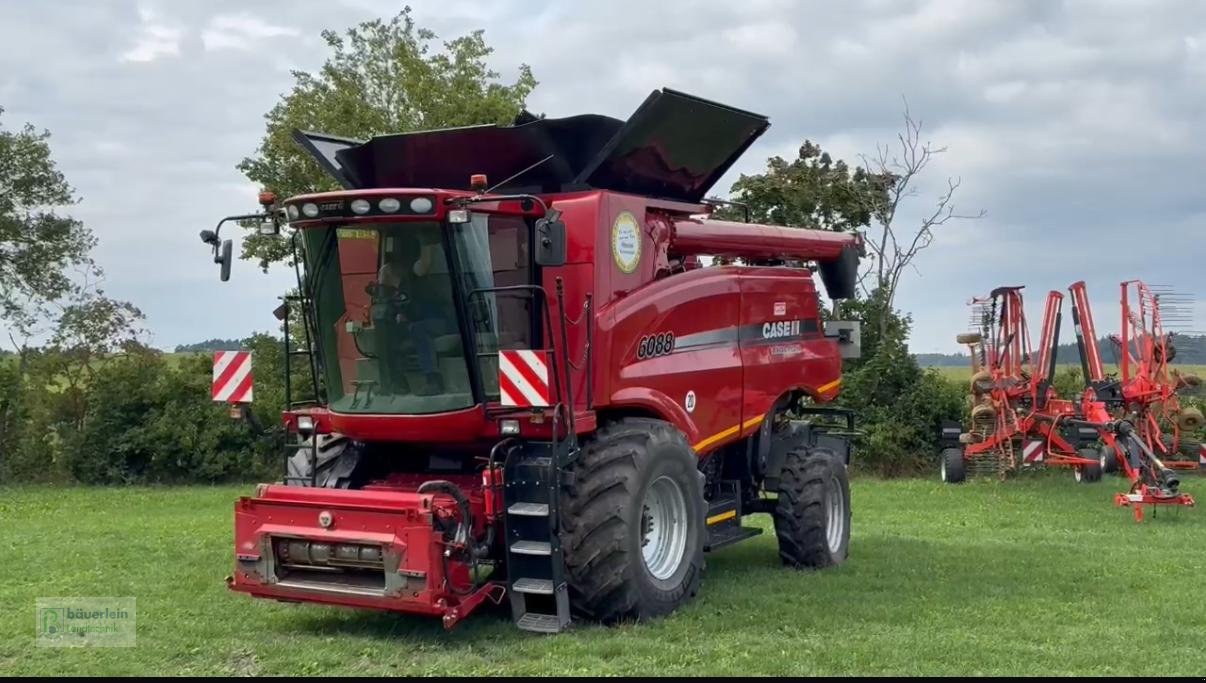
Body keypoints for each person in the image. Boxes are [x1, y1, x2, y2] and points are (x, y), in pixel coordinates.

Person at [374, 232, 451, 395]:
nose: (384, 281)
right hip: (415, 323)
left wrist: (425, 237)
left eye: (386, 276)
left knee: (418, 329)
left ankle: (433, 380)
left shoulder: (416, 274)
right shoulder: (394, 293)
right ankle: (396, 382)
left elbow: (425, 263)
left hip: (438, 321)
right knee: (388, 333)